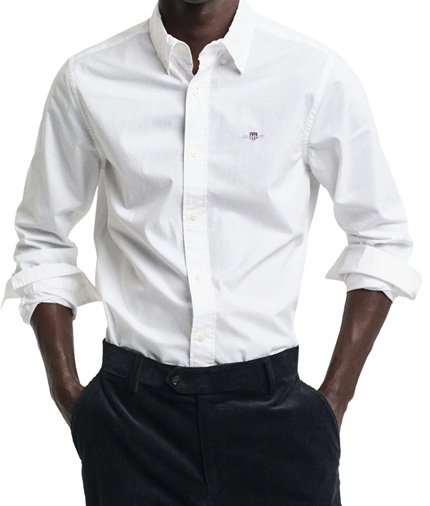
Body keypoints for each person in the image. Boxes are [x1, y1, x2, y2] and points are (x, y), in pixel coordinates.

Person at [5, 0, 421, 504]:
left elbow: (380, 235)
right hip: (132, 421)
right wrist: (69, 394)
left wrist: (331, 404)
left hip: (277, 419)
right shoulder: (88, 78)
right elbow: (43, 238)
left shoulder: (313, 74)